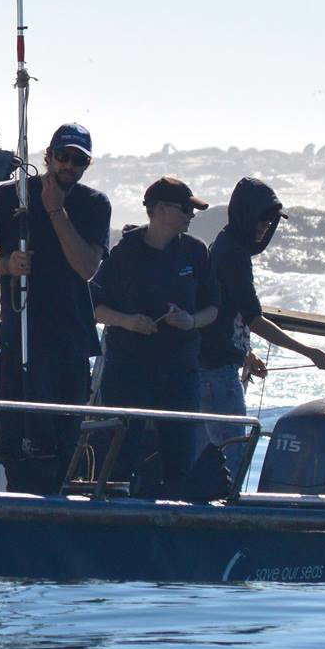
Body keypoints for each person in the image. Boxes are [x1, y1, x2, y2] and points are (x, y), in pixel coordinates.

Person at [0, 123, 111, 493]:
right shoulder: (8, 198)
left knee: (64, 442)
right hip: (20, 339)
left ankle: (57, 500)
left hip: (70, 342)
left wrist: (55, 212)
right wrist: (5, 265)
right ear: (48, 157)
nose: (69, 166)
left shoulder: (93, 205)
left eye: (78, 160)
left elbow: (87, 267)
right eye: (63, 157)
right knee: (20, 443)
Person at [198, 177, 325, 478]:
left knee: (223, 453)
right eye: (262, 217)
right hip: (217, 372)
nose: (266, 225)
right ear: (245, 214)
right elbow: (254, 318)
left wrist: (246, 354)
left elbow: (226, 312)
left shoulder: (226, 244)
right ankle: (225, 517)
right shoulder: (233, 254)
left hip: (218, 365)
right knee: (234, 455)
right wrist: (309, 352)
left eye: (272, 220)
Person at [90, 176, 219, 496]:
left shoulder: (195, 251)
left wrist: (189, 321)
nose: (191, 216)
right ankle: (115, 519)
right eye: (186, 209)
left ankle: (176, 521)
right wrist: (127, 321)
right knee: (122, 456)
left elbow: (213, 308)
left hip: (180, 372)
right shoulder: (123, 253)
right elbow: (93, 307)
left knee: (180, 459)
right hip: (128, 371)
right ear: (159, 210)